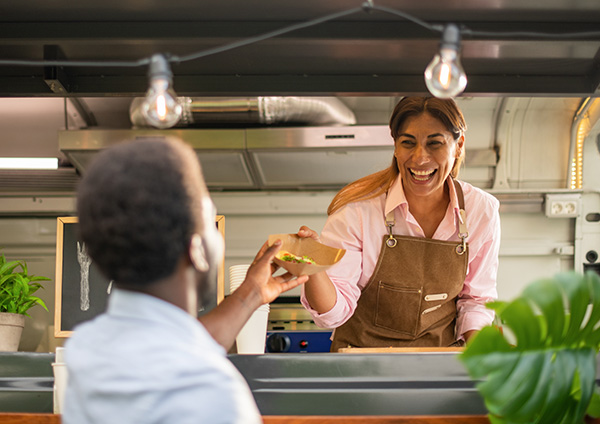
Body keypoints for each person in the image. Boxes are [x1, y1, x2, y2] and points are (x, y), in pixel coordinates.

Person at [62, 137, 307, 424]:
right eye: (211, 221)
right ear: (197, 250)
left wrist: (251, 294)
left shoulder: (86, 351)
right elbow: (182, 356)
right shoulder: (212, 391)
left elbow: (174, 343)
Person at [298, 96, 500, 351]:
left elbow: (476, 300)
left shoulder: (480, 210)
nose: (419, 158)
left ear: (458, 146)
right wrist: (313, 269)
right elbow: (333, 315)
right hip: (361, 366)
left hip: (439, 365)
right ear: (395, 146)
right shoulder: (357, 211)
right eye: (408, 143)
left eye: (435, 143)